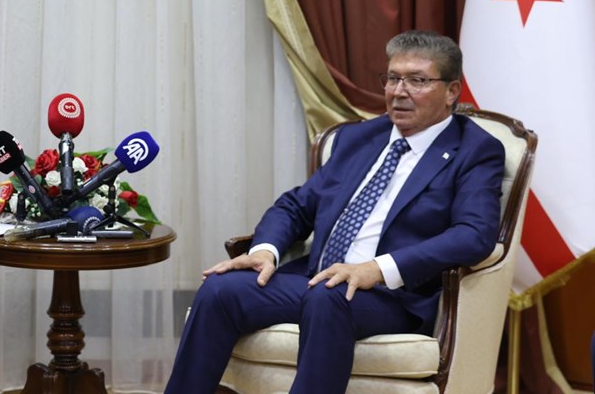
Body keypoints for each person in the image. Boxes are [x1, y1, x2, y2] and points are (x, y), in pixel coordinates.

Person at [165, 31, 505, 393]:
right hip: (316, 279)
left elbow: (474, 235)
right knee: (221, 289)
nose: (399, 91)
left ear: (452, 91)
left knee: (328, 296)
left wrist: (377, 268)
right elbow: (296, 205)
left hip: (392, 295)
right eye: (392, 78)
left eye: (417, 81)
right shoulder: (360, 138)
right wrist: (264, 251)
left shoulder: (475, 150)